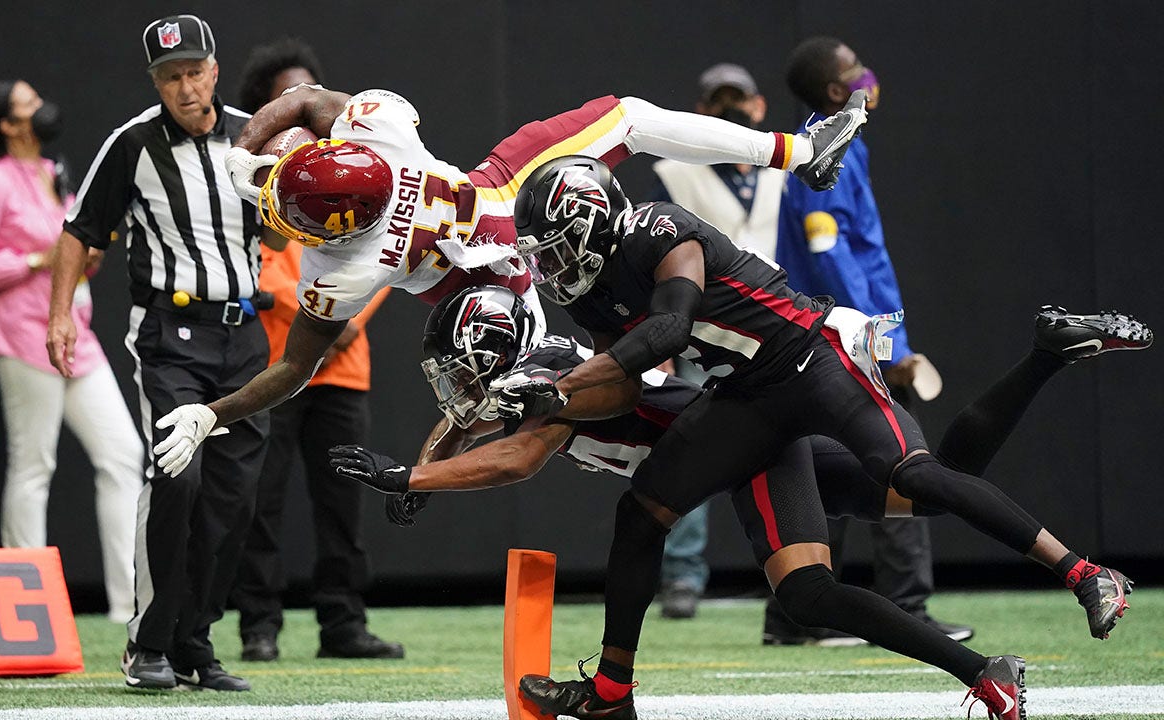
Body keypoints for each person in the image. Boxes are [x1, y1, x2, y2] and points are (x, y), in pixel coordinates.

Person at [492, 155, 1142, 720]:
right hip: (745, 399)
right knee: (659, 523)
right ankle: (610, 692)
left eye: (552, 248)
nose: (548, 268)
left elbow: (667, 329)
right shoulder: (592, 291)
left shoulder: (656, 229)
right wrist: (563, 398)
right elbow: (626, 384)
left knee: (913, 475)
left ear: (592, 222)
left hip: (810, 354)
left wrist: (564, 386)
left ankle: (1086, 573)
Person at [330, 284, 1150, 720]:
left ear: (500, 359)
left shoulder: (554, 388)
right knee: (939, 481)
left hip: (743, 443)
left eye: (464, 374)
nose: (456, 392)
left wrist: (411, 479)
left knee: (806, 591)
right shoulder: (538, 364)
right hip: (737, 443)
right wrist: (435, 453)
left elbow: (516, 456)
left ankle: (983, 674)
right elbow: (484, 414)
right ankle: (1046, 354)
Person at [147, 75, 869, 480]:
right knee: (628, 117)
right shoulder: (374, 129)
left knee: (544, 401)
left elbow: (295, 369)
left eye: (303, 221)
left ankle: (689, 439)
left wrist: (215, 413)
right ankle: (798, 151)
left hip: (503, 280)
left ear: (340, 223)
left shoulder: (341, 266)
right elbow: (306, 97)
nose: (291, 231)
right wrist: (249, 157)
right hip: (503, 195)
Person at [46, 14, 268, 691]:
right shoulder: (134, 145)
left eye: (192, 71)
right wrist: (59, 316)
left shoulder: (255, 134)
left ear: (214, 70)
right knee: (179, 476)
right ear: (156, 83)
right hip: (172, 338)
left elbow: (285, 234)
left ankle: (194, 642)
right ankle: (148, 642)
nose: (183, 86)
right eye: (169, 77)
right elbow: (79, 232)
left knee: (233, 495)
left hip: (244, 335)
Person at [769, 37, 970, 645]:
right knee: (901, 462)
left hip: (834, 335)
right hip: (845, 338)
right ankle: (900, 604)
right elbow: (831, 256)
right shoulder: (822, 154)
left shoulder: (840, 145)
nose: (867, 75)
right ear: (836, 93)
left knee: (825, 468)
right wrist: (889, 343)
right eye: (854, 70)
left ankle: (794, 617)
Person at [229, 38, 403, 663]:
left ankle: (344, 625)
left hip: (344, 370)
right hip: (277, 364)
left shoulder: (356, 163)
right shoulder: (259, 175)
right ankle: (259, 625)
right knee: (263, 501)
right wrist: (318, 312)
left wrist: (346, 311)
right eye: (283, 94)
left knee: (342, 504)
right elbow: (257, 266)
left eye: (306, 89)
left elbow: (387, 251)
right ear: (262, 106)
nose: (298, 102)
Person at [0, 79, 143, 624]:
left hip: (76, 336)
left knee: (123, 456)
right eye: (28, 106)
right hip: (22, 335)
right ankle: (26, 611)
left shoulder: (55, 170)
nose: (42, 110)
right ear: (8, 126)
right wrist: (40, 260)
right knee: (34, 464)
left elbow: (75, 243)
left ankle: (129, 605)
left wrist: (79, 260)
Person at [648, 63, 788, 620]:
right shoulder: (674, 172)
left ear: (758, 108)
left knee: (790, 449)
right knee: (688, 447)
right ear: (701, 115)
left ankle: (791, 571)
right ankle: (682, 575)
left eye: (740, 100)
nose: (730, 109)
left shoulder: (785, 174)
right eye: (718, 102)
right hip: (705, 332)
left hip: (779, 330)